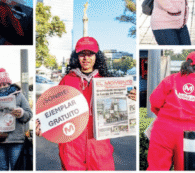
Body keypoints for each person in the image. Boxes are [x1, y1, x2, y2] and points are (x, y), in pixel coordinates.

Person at [35, 36, 134, 170]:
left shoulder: (107, 81)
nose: (86, 58)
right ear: (76, 56)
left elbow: (123, 107)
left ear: (97, 56)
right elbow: (53, 109)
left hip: (99, 146)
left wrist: (132, 98)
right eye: (82, 54)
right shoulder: (67, 80)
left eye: (90, 53)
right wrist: (43, 125)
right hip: (71, 146)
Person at [0, 68, 33, 171]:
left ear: (9, 83)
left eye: (4, 84)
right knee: (2, 168)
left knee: (16, 167)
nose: (2, 87)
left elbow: (29, 114)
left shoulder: (19, 96)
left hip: (16, 140)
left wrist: (21, 113)